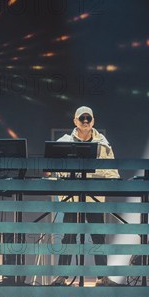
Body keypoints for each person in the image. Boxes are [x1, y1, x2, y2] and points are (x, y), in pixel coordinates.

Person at [52, 106, 120, 286]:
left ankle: (102, 277)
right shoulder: (64, 142)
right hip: (72, 199)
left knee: (98, 236)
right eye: (81, 118)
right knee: (68, 237)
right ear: (75, 121)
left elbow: (112, 172)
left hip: (94, 199)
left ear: (93, 121)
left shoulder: (103, 144)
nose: (85, 121)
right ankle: (62, 276)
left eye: (88, 118)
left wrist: (108, 181)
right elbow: (53, 169)